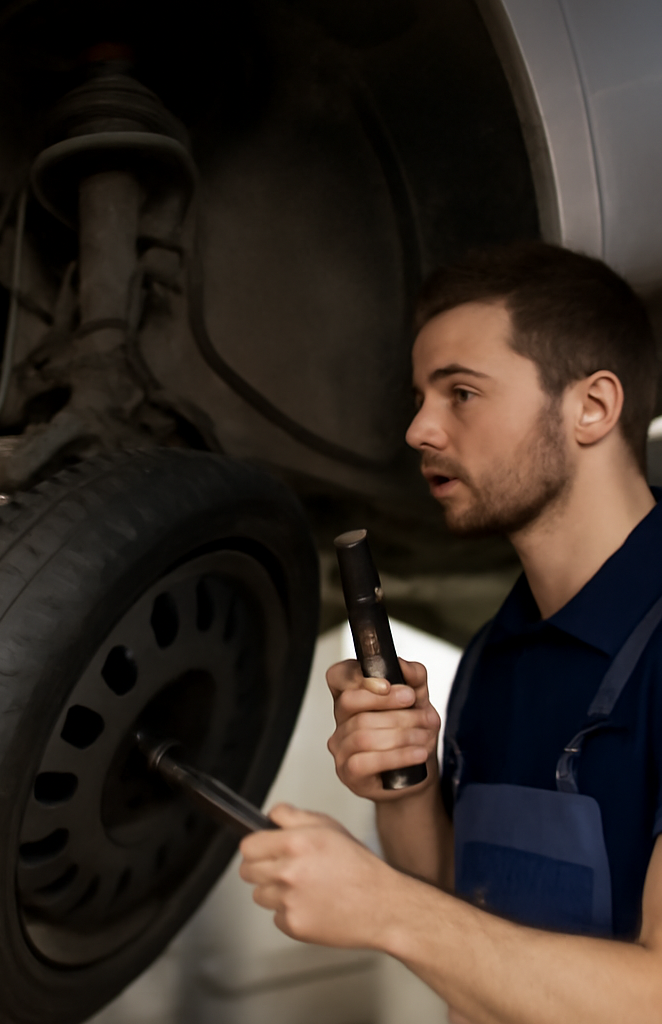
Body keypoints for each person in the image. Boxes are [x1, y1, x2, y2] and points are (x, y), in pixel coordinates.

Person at [239, 242, 662, 1023]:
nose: (418, 430)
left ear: (593, 407)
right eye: (419, 397)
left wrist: (384, 908)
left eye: (460, 392)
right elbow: (454, 898)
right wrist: (406, 785)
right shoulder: (495, 653)